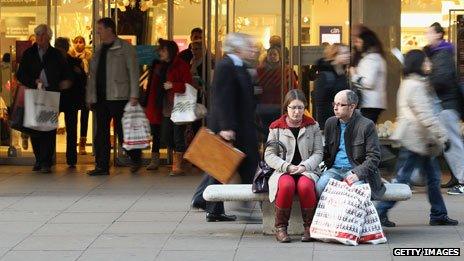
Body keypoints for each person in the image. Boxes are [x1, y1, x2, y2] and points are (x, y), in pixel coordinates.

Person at [376, 49, 458, 227]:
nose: (429, 64)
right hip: (415, 140)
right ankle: (379, 212)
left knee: (433, 178)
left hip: (422, 141)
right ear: (418, 64)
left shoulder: (414, 83)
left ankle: (438, 214)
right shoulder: (415, 86)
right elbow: (426, 115)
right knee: (403, 179)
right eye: (425, 62)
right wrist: (443, 136)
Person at [198, 33, 259, 222]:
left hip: (241, 125)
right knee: (229, 166)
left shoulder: (239, 65)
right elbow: (222, 99)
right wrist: (226, 127)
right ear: (237, 48)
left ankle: (208, 204)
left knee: (226, 166)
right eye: (249, 46)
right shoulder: (226, 66)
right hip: (232, 126)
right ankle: (209, 201)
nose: (253, 49)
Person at [264, 89, 323, 243]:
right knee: (286, 185)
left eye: (300, 108)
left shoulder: (313, 126)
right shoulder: (276, 127)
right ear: (286, 108)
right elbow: (269, 155)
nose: (297, 112)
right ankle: (281, 228)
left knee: (305, 186)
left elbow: (318, 152)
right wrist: (287, 167)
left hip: (307, 171)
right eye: (293, 108)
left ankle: (310, 228)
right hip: (283, 171)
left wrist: (304, 166)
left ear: (305, 108)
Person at [86, 18, 141, 175]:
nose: (98, 32)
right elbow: (93, 76)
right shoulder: (99, 50)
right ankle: (102, 166)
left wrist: (134, 95)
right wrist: (90, 96)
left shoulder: (125, 48)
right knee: (101, 133)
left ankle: (135, 156)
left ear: (110, 29)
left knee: (122, 132)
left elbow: (133, 72)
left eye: (100, 29)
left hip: (119, 96)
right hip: (101, 98)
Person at [16, 24, 71, 173]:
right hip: (34, 94)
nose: (39, 37)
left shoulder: (56, 54)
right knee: (35, 129)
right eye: (37, 34)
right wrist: (33, 81)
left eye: (42, 35)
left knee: (48, 129)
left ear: (49, 37)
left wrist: (64, 82)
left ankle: (47, 161)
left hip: (51, 95)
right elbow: (20, 74)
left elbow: (65, 72)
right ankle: (39, 159)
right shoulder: (29, 53)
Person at [316, 90, 385, 200]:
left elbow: (374, 157)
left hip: (356, 169)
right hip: (335, 169)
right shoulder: (331, 123)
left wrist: (358, 173)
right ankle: (329, 217)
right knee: (320, 186)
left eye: (340, 105)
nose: (335, 108)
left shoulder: (366, 125)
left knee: (355, 194)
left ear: (352, 107)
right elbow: (327, 151)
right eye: (334, 104)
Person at [424, 22, 464, 194]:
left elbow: (441, 80)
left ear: (439, 34)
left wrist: (427, 74)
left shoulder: (442, 54)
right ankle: (457, 178)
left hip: (446, 105)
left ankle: (462, 181)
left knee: (453, 144)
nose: (427, 35)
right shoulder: (438, 54)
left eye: (430, 32)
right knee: (447, 145)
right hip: (444, 105)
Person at [144, 39, 193, 174]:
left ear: (170, 51)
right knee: (166, 135)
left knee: (178, 135)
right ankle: (183, 158)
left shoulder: (181, 65)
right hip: (165, 106)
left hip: (179, 106)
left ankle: (177, 166)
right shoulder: (159, 66)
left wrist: (173, 85)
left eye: (163, 50)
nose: (160, 52)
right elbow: (153, 88)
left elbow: (188, 85)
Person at [55, 37, 87, 168]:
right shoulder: (72, 61)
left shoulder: (75, 61)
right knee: (55, 129)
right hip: (59, 99)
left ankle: (71, 158)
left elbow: (83, 80)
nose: (60, 51)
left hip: (68, 100)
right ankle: (67, 158)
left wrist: (78, 75)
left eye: (61, 48)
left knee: (71, 129)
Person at [256, 46, 298, 137]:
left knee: (280, 131)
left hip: (280, 106)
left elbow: (293, 88)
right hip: (264, 106)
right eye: (270, 54)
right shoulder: (260, 70)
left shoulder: (286, 70)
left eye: (275, 54)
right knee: (266, 132)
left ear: (279, 56)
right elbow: (256, 87)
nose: (272, 56)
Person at [350, 27, 387, 124]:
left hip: (369, 103)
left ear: (365, 43)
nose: (356, 44)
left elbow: (369, 83)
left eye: (359, 42)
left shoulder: (371, 59)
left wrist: (354, 75)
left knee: (365, 133)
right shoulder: (376, 57)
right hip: (373, 103)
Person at [313, 44, 350, 129]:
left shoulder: (342, 73)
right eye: (344, 53)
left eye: (348, 52)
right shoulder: (325, 75)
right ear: (334, 56)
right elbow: (320, 104)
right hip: (330, 123)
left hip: (342, 121)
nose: (348, 55)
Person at [70, 36, 93, 155]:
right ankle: (72, 144)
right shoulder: (70, 56)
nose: (79, 44)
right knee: (72, 117)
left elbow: (91, 73)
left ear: (84, 44)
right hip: (73, 90)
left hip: (86, 89)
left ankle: (82, 144)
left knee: (85, 116)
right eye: (76, 42)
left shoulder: (89, 56)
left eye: (81, 42)